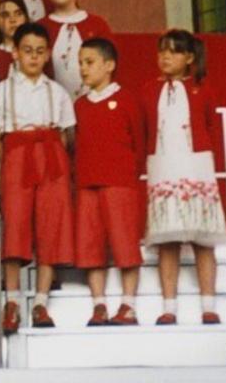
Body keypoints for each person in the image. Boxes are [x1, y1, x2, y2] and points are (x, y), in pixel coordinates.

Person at [0, 22, 76, 334]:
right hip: (17, 155)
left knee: (50, 223)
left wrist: (52, 159)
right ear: (15, 53)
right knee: (16, 224)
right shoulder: (0, 90)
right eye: (27, 51)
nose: (33, 57)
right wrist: (4, 156)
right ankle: (12, 300)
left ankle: (41, 302)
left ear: (47, 54)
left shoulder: (56, 91)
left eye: (39, 51)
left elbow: (65, 134)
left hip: (49, 156)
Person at [141, 29, 226, 326]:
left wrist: (206, 161)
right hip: (163, 164)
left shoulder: (202, 88)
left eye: (174, 51)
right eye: (162, 51)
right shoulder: (148, 90)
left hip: (195, 164)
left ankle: (209, 305)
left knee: (203, 238)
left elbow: (211, 129)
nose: (165, 57)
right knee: (168, 239)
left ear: (189, 58)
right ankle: (169, 306)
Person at [73, 37, 145, 326]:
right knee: (91, 246)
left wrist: (129, 174)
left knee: (125, 242)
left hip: (119, 182)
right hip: (87, 183)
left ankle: (128, 304)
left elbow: (139, 143)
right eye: (80, 63)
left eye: (89, 62)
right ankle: (99, 304)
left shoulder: (126, 99)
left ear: (109, 65)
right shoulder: (79, 105)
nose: (83, 69)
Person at [40, 0, 113, 98]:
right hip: (53, 103)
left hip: (93, 102)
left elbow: (109, 66)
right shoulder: (41, 27)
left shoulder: (97, 24)